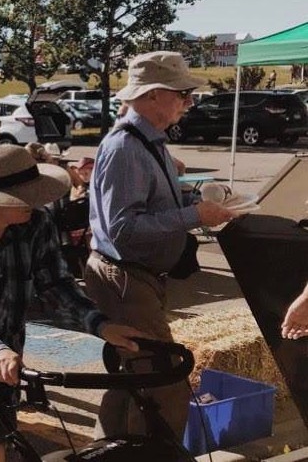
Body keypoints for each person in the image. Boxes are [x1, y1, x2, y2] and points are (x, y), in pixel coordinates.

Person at [0, 144, 144, 461]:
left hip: (9, 358)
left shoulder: (37, 224)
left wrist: (100, 324)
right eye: (27, 194)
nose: (38, 200)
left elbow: (57, 285)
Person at [86, 51, 242, 440]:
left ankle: (111, 451)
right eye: (183, 93)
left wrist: (198, 207)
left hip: (134, 277)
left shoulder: (145, 142)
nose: (189, 103)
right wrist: (195, 216)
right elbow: (123, 229)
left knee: (132, 382)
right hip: (126, 278)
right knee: (165, 382)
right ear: (153, 94)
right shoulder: (127, 147)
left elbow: (148, 210)